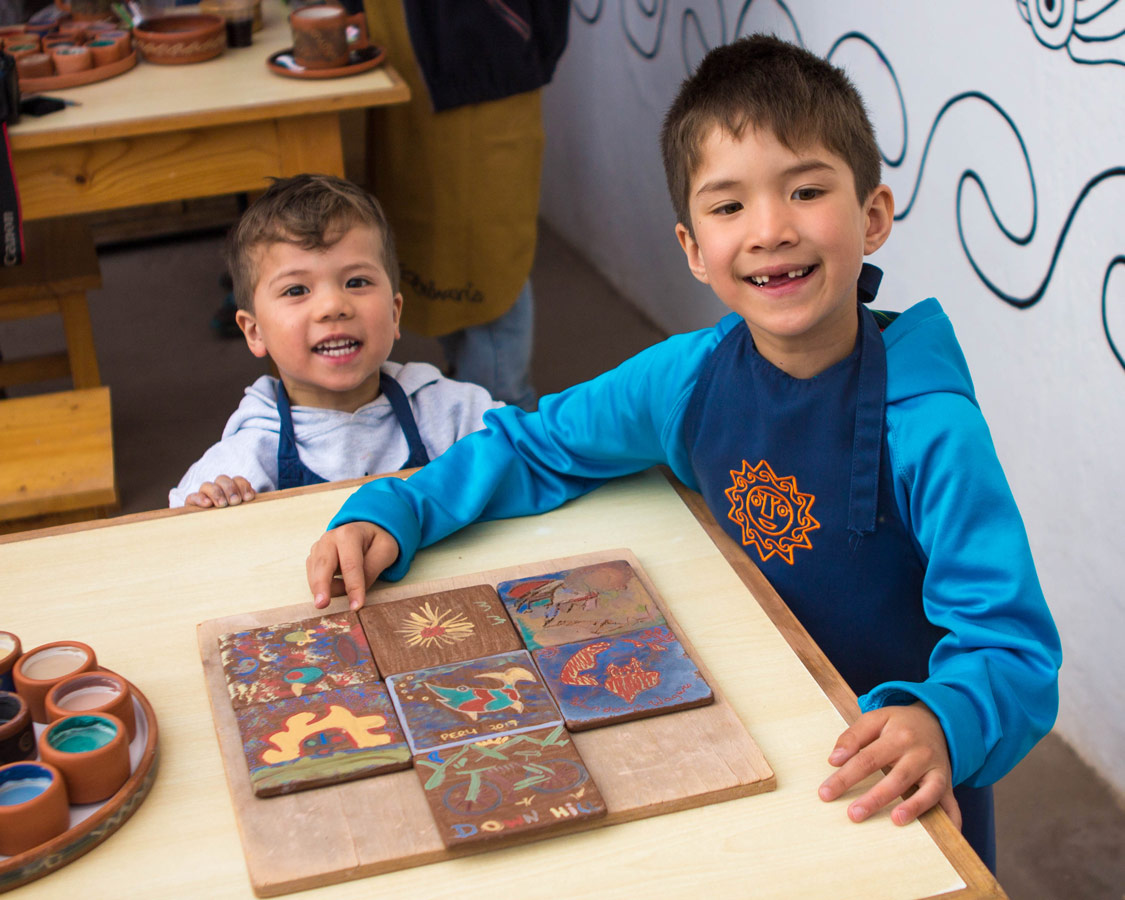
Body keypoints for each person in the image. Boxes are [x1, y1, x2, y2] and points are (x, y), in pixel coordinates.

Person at [304, 37, 1061, 869]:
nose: (770, 229)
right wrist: (400, 505)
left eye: (806, 190)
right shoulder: (685, 377)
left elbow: (1011, 650)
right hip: (746, 741)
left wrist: (944, 722)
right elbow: (538, 442)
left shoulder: (930, 426)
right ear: (694, 248)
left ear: (872, 216)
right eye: (728, 206)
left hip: (888, 780)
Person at [169, 175, 502, 509]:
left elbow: (532, 454)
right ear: (255, 331)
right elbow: (174, 540)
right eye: (296, 290)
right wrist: (202, 512)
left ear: (394, 313)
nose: (333, 307)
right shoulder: (247, 455)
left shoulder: (453, 413)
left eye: (357, 282)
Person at [363, 1, 570, 411]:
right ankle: (466, 389)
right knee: (431, 240)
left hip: (484, 51)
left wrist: (517, 35)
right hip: (402, 57)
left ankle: (502, 413)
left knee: (489, 248)